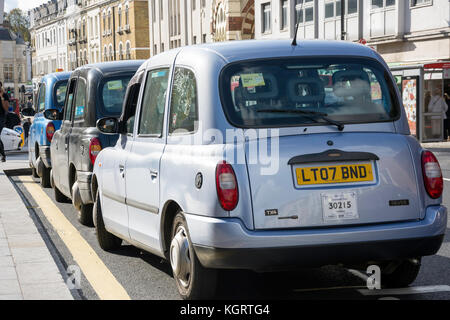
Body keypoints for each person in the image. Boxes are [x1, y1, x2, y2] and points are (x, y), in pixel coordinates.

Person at [0, 81, 10, 162]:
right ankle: (3, 154)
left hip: (1, 118)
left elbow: (6, 108)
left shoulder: (5, 95)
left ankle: (3, 155)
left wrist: (1, 97)